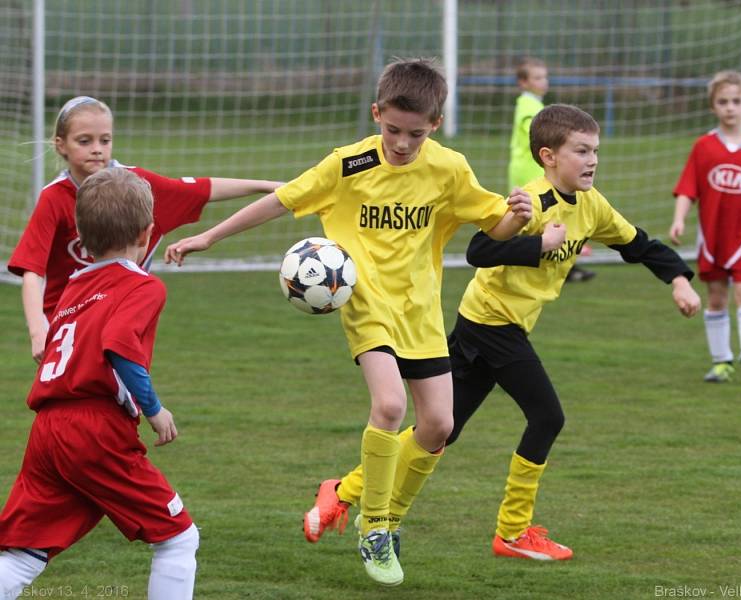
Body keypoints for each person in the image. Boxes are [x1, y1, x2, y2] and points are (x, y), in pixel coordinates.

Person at [163, 58, 532, 586]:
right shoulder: (348, 164)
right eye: (393, 130)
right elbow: (280, 200)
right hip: (364, 304)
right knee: (388, 404)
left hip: (421, 309)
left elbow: (492, 223)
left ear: (436, 124)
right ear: (376, 113)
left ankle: (355, 501)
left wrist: (516, 216)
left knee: (439, 428)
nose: (403, 143)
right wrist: (208, 236)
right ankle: (376, 528)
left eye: (416, 134)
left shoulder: (449, 168)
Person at [304, 104, 701, 562]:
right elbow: (480, 248)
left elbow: (639, 245)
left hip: (490, 326)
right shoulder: (532, 202)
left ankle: (344, 489)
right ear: (549, 156)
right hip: (491, 324)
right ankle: (513, 530)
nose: (592, 160)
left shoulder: (592, 206)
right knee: (547, 416)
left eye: (595, 151)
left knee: (439, 431)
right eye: (581, 151)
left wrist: (678, 279)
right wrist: (538, 244)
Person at [0, 168, 199, 600]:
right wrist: (155, 409)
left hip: (48, 430)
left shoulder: (71, 286)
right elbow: (119, 347)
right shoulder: (143, 286)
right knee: (179, 538)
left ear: (83, 242)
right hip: (95, 429)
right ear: (148, 234)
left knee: (23, 552)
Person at [7, 95, 282, 364]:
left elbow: (203, 189)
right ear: (60, 145)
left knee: (117, 398)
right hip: (67, 325)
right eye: (84, 141)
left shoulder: (135, 186)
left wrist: (269, 186)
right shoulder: (54, 198)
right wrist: (37, 330)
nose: (97, 148)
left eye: (105, 140)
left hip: (121, 317)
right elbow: (33, 270)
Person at [670, 70, 741, 384]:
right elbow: (687, 189)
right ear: (712, 107)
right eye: (723, 102)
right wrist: (679, 219)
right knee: (717, 298)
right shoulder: (704, 147)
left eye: (736, 101)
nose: (730, 107)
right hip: (713, 239)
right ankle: (722, 363)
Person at [508, 57, 595, 283]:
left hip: (536, 166)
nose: (543, 82)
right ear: (523, 82)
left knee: (550, 215)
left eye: (544, 77)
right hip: (532, 169)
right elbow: (537, 135)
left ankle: (563, 263)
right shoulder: (528, 107)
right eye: (537, 77)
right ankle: (554, 261)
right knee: (541, 216)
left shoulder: (534, 105)